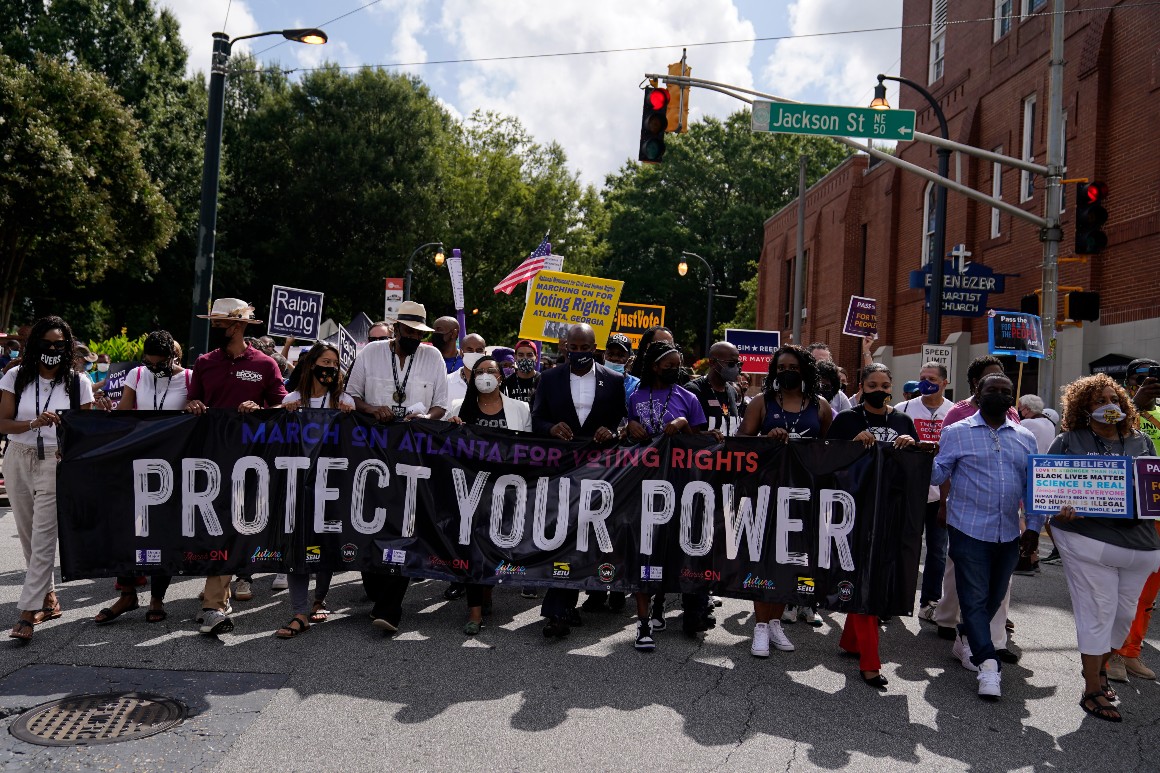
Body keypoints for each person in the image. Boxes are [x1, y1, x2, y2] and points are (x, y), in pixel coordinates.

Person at [1044, 374, 1160, 721]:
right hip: (1088, 538)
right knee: (1098, 610)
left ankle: (1100, 667)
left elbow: (1153, 486)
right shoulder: (1069, 441)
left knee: (1122, 619)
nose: (1108, 405)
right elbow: (1047, 487)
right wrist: (1058, 508)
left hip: (1139, 541)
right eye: (1098, 401)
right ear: (1084, 409)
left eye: (1113, 398)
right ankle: (1092, 687)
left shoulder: (1141, 441)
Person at [930, 372, 1040, 700]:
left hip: (1008, 532)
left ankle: (965, 635)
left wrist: (1033, 528)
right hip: (967, 529)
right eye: (992, 390)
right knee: (974, 599)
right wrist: (924, 456)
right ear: (978, 393)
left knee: (993, 598)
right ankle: (988, 664)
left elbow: (1033, 487)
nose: (1000, 396)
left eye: (1006, 392)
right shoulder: (956, 432)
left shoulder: (1025, 437)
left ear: (1012, 398)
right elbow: (938, 473)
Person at [185, 299, 288, 635]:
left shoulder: (266, 364)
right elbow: (193, 400)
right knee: (215, 528)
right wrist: (194, 404)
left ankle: (213, 602)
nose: (215, 328)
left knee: (231, 528)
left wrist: (259, 407)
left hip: (250, 460)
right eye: (213, 323)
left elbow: (281, 405)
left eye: (221, 323)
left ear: (241, 326)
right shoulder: (203, 362)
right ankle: (218, 591)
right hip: (211, 459)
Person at [346, 300, 448, 633]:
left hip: (414, 452)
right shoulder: (371, 353)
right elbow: (351, 397)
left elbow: (441, 406)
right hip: (373, 451)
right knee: (370, 519)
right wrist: (373, 409)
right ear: (396, 328)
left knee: (407, 523)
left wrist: (425, 418)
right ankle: (378, 592)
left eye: (420, 333)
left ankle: (390, 607)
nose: (414, 338)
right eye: (409, 332)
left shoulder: (432, 357)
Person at [2, 316, 94, 642]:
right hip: (18, 458)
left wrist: (67, 436)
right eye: (46, 344)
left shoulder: (77, 382)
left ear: (67, 347)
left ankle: (27, 613)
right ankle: (50, 599)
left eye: (59, 344)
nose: (52, 350)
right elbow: (3, 424)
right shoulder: (16, 377)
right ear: (34, 345)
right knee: (27, 536)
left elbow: (86, 428)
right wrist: (33, 424)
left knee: (43, 538)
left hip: (56, 462)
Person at [531, 323, 626, 638]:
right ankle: (557, 611)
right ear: (564, 347)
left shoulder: (614, 381)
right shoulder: (549, 378)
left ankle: (574, 600)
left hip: (600, 471)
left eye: (587, 348)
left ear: (595, 348)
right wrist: (550, 429)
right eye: (575, 347)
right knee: (562, 535)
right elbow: (537, 418)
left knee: (587, 537)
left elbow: (623, 420)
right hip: (562, 469)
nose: (580, 353)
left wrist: (611, 432)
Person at [738, 344, 833, 656]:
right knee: (763, 561)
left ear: (804, 370)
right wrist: (766, 440)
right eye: (781, 368)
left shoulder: (820, 406)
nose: (787, 372)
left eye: (793, 367)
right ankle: (761, 627)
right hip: (765, 493)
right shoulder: (761, 404)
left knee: (788, 561)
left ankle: (776, 623)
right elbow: (739, 444)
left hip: (803, 496)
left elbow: (830, 448)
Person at [828, 364, 919, 688]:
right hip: (854, 513)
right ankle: (870, 662)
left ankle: (851, 641)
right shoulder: (847, 419)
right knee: (865, 579)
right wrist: (852, 444)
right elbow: (827, 463)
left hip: (891, 513)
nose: (879, 389)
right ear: (862, 387)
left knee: (874, 575)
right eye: (872, 384)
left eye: (884, 384)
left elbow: (917, 467)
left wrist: (912, 445)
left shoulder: (903, 421)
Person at [92, 330, 190, 627]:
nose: (153, 369)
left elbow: (199, 413)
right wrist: (105, 411)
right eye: (148, 362)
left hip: (173, 463)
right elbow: (125, 416)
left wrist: (196, 407)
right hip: (139, 462)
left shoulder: (188, 377)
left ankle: (157, 598)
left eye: (159, 364)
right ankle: (128, 593)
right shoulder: (136, 374)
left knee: (164, 531)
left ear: (172, 357)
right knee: (130, 528)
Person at [624, 341, 710, 649]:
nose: (675, 369)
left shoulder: (689, 398)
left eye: (679, 363)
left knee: (668, 547)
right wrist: (629, 425)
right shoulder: (635, 397)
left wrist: (684, 424)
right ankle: (643, 623)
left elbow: (702, 446)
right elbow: (624, 438)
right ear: (655, 366)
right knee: (644, 549)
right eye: (669, 364)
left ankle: (661, 602)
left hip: (678, 483)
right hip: (641, 484)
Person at [933, 355, 1023, 647]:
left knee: (998, 586)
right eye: (991, 383)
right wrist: (945, 504)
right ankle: (952, 622)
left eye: (1004, 386)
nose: (999, 392)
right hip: (967, 518)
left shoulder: (1016, 423)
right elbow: (942, 468)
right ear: (976, 385)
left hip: (1005, 523)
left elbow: (1020, 471)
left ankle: (991, 639)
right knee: (962, 576)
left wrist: (1028, 519)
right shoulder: (957, 417)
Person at [273, 342, 356, 639]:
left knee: (326, 539)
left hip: (332, 482)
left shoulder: (345, 400)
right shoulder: (294, 397)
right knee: (298, 541)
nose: (330, 368)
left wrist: (347, 414)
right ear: (311, 365)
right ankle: (298, 611)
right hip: (298, 481)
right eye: (325, 361)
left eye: (335, 363)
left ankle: (319, 597)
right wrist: (284, 410)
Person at [445, 354, 533, 634]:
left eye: (490, 371)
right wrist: (453, 428)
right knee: (473, 546)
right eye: (479, 371)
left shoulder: (520, 409)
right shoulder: (459, 407)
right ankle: (474, 612)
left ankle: (487, 590)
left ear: (500, 376)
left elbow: (530, 449)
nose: (485, 375)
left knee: (496, 545)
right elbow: (445, 448)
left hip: (506, 490)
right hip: (471, 490)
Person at [1107, 357, 1160, 682]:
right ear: (1128, 382)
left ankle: (1131, 652)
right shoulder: (1113, 410)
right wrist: (1134, 407)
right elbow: (1107, 436)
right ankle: (1110, 655)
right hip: (1126, 510)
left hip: (1157, 508)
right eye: (1142, 378)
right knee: (1123, 587)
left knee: (1148, 589)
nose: (1149, 383)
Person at [896, 361, 955, 621]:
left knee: (937, 549)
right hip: (908, 492)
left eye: (931, 378)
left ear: (945, 383)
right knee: (903, 546)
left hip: (940, 494)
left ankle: (929, 600)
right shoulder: (904, 409)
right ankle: (896, 598)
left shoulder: (955, 413)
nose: (925, 382)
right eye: (922, 377)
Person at [684, 341, 742, 438]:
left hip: (728, 453)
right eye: (731, 363)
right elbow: (686, 434)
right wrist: (705, 435)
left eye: (738, 363)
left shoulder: (732, 391)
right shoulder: (693, 390)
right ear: (713, 363)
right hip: (702, 452)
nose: (736, 368)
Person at [808, 342, 853, 414]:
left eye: (826, 361)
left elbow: (850, 419)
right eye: (817, 361)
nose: (822, 365)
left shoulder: (839, 396)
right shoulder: (798, 391)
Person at [446, 333, 487, 405]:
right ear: (461, 353)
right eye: (470, 350)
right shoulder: (447, 382)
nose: (474, 353)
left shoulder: (494, 382)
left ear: (485, 354)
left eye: (479, 350)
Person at [503, 339, 542, 406]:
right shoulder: (507, 382)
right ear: (515, 357)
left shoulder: (543, 381)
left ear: (536, 358)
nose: (525, 358)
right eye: (521, 355)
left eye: (529, 355)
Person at [602, 333, 640, 397]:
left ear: (630, 359)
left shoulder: (636, 386)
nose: (614, 358)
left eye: (620, 355)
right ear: (603, 356)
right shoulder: (593, 381)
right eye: (610, 354)